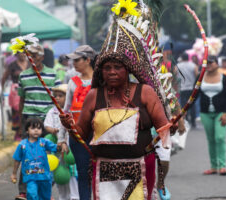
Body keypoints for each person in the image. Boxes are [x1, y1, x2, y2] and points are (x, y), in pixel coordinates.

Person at [59, 1, 185, 198]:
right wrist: (70, 127)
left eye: (118, 67)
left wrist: (170, 128)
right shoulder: (94, 96)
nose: (112, 72)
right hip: (103, 169)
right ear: (100, 70)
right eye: (107, 68)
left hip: (141, 167)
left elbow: (163, 129)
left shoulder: (145, 93)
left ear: (129, 70)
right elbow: (82, 134)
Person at [16, 44, 61, 200]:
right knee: (27, 155)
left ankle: (45, 190)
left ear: (42, 57)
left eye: (35, 55)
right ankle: (24, 191)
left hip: (47, 120)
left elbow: (58, 99)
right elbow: (21, 100)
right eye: (29, 56)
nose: (32, 58)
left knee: (48, 156)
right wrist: (20, 123)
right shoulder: (23, 76)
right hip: (29, 119)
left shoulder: (53, 75)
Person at [58, 45, 97, 200]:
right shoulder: (72, 83)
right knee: (82, 173)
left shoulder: (100, 82)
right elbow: (65, 112)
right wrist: (62, 139)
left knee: (99, 172)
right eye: (72, 60)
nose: (73, 63)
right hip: (77, 136)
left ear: (88, 60)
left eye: (77, 59)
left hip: (98, 135)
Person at [44, 84, 80, 200]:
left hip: (70, 147)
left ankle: (74, 196)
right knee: (59, 172)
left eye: (61, 96)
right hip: (58, 148)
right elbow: (47, 126)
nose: (57, 98)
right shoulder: (52, 112)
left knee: (72, 172)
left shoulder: (72, 112)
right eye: (56, 96)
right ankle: (63, 197)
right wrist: (54, 131)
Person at [199, 55, 226, 176]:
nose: (208, 65)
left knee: (220, 138)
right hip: (205, 113)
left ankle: (222, 166)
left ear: (217, 64)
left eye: (210, 63)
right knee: (211, 140)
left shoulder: (225, 78)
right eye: (206, 63)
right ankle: (213, 166)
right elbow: (194, 94)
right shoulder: (200, 77)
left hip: (220, 113)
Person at [11, 117, 59, 200]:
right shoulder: (22, 145)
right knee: (32, 195)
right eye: (33, 128)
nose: (36, 130)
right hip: (30, 178)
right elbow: (17, 160)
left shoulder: (44, 142)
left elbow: (56, 148)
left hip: (45, 178)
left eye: (39, 128)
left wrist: (62, 144)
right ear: (27, 130)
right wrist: (14, 173)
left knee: (45, 197)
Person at [1, 52, 30, 141]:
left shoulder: (30, 64)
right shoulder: (12, 65)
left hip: (28, 90)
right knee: (17, 111)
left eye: (24, 53)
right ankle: (18, 132)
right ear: (16, 55)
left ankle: (28, 131)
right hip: (16, 91)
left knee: (28, 110)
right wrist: (0, 90)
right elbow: (4, 78)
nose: (22, 55)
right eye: (20, 53)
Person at [177, 52, 199, 128]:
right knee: (192, 105)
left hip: (182, 88)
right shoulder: (193, 65)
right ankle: (193, 121)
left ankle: (185, 120)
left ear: (182, 58)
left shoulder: (178, 66)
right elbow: (197, 76)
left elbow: (175, 76)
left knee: (183, 105)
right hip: (192, 89)